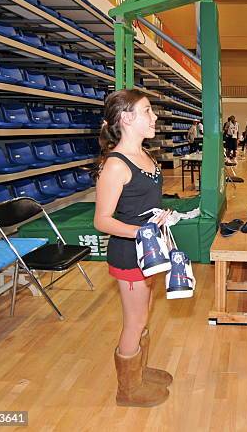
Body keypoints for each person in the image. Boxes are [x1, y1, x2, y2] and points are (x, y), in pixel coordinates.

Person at [93, 90, 173, 407]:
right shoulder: (115, 165)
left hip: (150, 250)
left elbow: (142, 205)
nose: (154, 117)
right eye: (147, 111)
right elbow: (102, 220)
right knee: (135, 321)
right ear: (126, 118)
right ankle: (127, 390)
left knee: (145, 314)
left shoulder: (147, 156)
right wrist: (143, 231)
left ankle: (139, 370)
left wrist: (161, 218)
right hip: (130, 254)